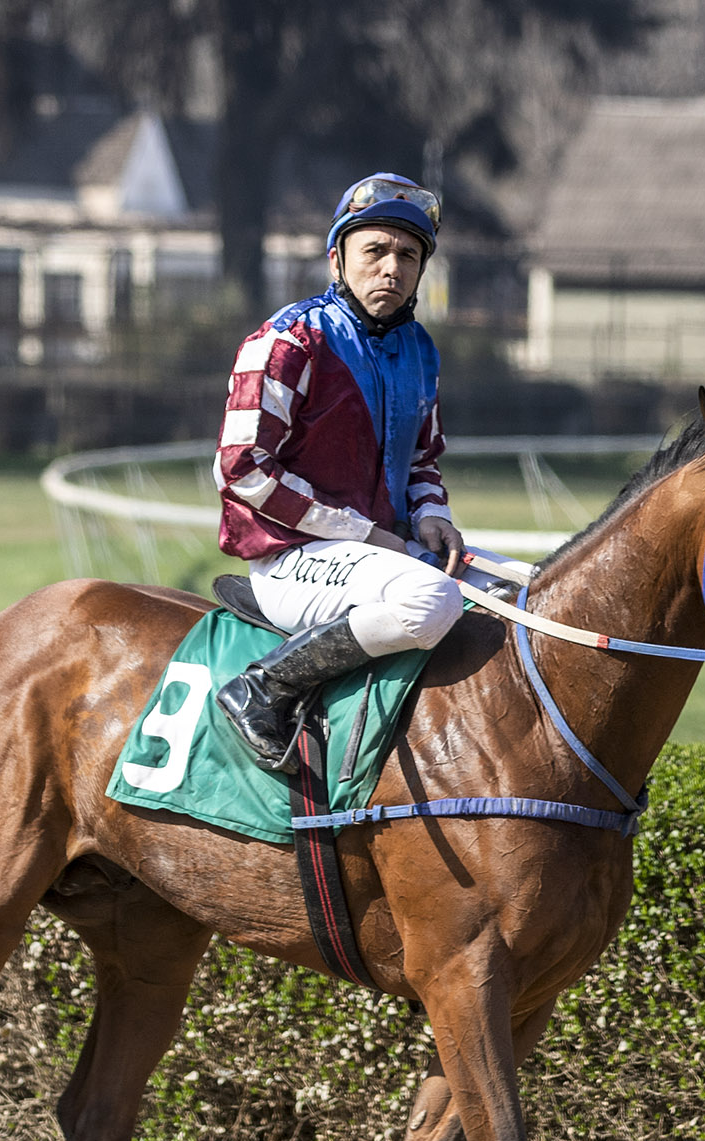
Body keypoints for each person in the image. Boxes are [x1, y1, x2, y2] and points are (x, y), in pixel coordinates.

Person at [210, 172, 466, 772]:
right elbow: (240, 469)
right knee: (432, 601)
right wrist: (362, 531)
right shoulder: (289, 341)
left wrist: (432, 514)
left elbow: (422, 458)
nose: (391, 269)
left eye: (408, 256)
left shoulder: (420, 350)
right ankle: (264, 687)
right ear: (337, 259)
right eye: (374, 251)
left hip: (381, 551)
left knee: (515, 592)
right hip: (290, 557)